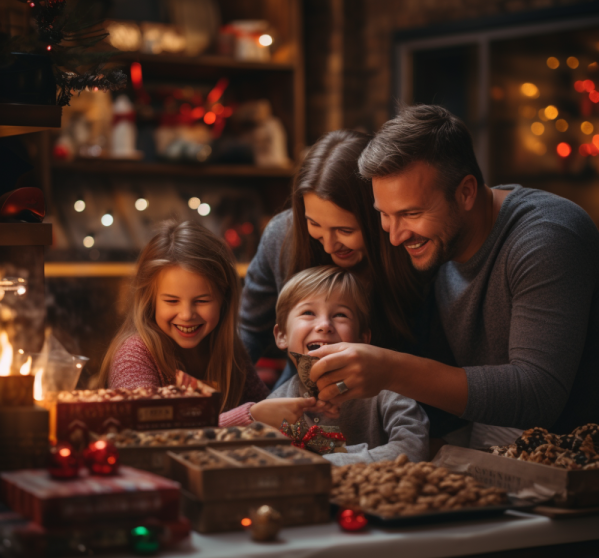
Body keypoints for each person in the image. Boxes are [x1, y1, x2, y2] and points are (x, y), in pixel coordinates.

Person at [309, 104, 599, 439]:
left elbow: (537, 394)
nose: (395, 235)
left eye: (411, 213)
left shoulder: (546, 238)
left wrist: (390, 369)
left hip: (574, 465)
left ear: (466, 192)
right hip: (492, 449)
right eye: (384, 214)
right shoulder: (438, 240)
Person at [95, 220, 322, 428]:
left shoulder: (230, 351)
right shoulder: (134, 354)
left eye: (202, 301)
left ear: (224, 300)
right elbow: (149, 430)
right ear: (150, 301)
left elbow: (269, 407)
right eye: (171, 301)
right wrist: (251, 416)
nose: (186, 314)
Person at [240, 129, 421, 384]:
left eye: (345, 230)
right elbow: (250, 330)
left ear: (379, 217)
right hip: (301, 399)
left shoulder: (413, 249)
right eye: (313, 224)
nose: (329, 246)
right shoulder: (282, 235)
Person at [268, 265, 429, 465]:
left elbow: (414, 446)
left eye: (340, 315)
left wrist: (326, 464)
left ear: (363, 339)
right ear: (281, 336)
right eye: (308, 312)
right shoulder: (276, 403)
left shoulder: (384, 387)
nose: (325, 325)